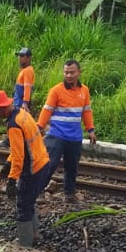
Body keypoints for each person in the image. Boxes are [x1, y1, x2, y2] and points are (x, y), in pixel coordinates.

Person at [0, 90, 50, 246]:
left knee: (22, 203)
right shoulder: (21, 113)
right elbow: (19, 148)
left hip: (32, 167)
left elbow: (19, 155)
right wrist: (8, 164)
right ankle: (35, 235)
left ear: (2, 108)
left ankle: (25, 244)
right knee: (30, 200)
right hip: (42, 161)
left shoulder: (13, 125)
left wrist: (11, 180)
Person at [36, 59, 96, 204]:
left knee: (72, 167)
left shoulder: (84, 91)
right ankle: (38, 192)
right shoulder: (56, 90)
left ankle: (69, 194)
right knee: (49, 164)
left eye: (72, 72)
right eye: (66, 72)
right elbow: (47, 110)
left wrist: (91, 130)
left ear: (79, 73)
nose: (68, 75)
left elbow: (86, 112)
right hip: (57, 135)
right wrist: (39, 127)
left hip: (74, 137)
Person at [12, 47, 36, 113]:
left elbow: (27, 88)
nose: (20, 58)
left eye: (22, 56)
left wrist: (25, 103)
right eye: (19, 56)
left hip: (21, 104)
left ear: (29, 58)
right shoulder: (24, 70)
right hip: (17, 102)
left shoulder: (27, 71)